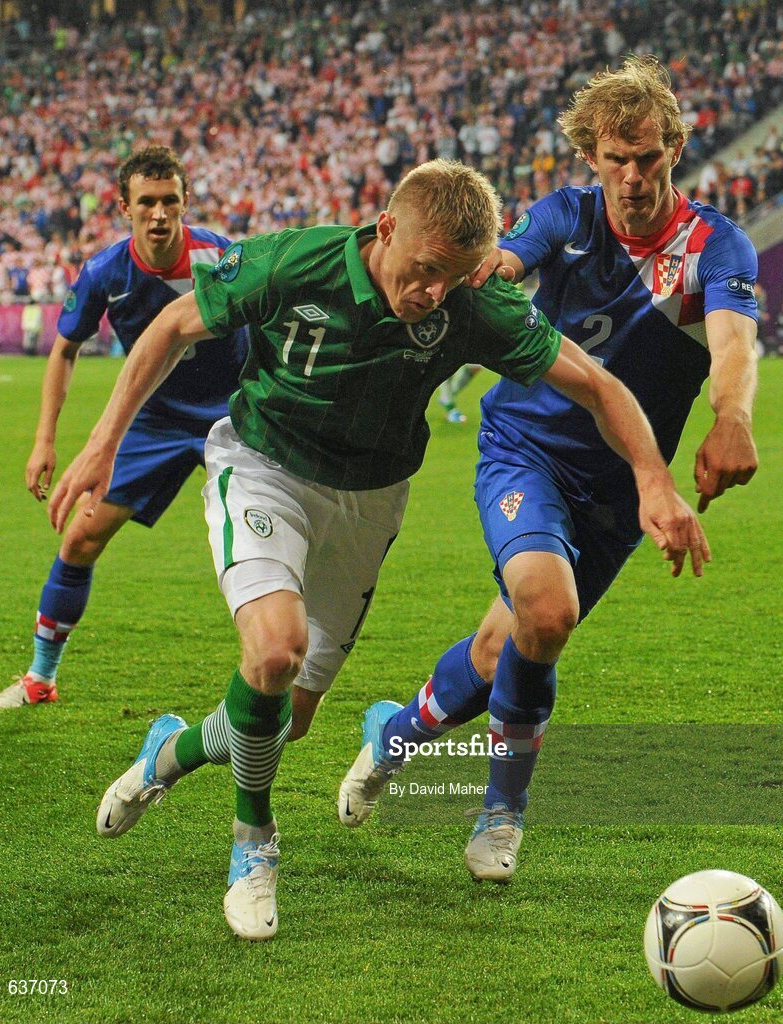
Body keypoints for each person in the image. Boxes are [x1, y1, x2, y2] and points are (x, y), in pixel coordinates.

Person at [46, 159, 708, 941]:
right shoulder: (296, 261)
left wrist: (654, 481)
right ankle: (253, 845)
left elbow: (596, 384)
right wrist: (100, 443)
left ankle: (172, 750)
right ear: (386, 230)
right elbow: (171, 325)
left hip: (367, 502)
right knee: (272, 654)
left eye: (451, 279)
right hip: (263, 469)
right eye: (424, 271)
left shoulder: (470, 300)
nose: (432, 293)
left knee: (282, 720)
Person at [338, 56, 759, 885]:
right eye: (616, 158)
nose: (633, 177)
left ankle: (391, 735)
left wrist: (731, 418)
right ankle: (501, 815)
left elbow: (732, 345)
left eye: (648, 157)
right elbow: (510, 258)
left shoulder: (715, 244)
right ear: (590, 157)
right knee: (545, 606)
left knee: (509, 646)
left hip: (622, 485)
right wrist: (488, 269)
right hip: (524, 450)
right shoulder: (564, 217)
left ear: (675, 146)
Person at [0, 146, 249, 711]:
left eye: (169, 201)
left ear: (184, 203)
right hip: (151, 419)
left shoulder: (221, 257)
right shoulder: (106, 272)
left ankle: (283, 673)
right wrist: (44, 440)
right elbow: (65, 350)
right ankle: (40, 680)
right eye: (146, 202)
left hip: (234, 413)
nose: (159, 213)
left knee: (272, 540)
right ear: (124, 206)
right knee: (79, 538)